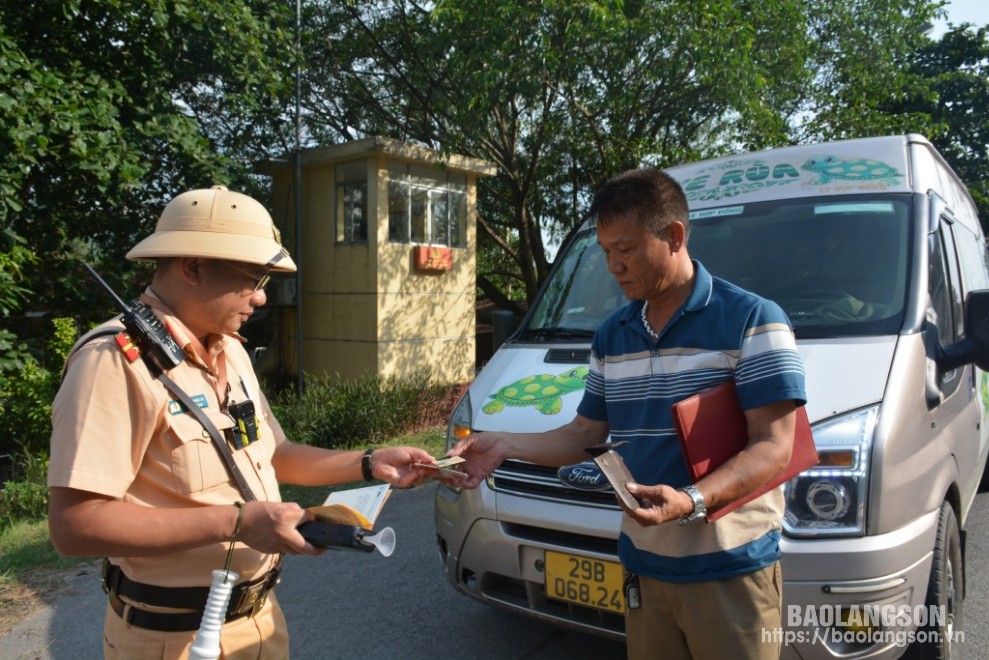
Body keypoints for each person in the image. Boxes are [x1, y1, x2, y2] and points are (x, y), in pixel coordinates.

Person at [47, 185, 437, 659]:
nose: (262, 298)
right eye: (253, 278)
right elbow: (75, 526)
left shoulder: (229, 349)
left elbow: (273, 453)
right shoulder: (113, 362)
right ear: (193, 266)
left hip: (260, 620)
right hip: (172, 639)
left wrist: (371, 462)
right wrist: (236, 522)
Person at [446, 169, 807, 659]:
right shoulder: (612, 334)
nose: (613, 266)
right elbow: (583, 433)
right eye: (605, 252)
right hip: (644, 566)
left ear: (674, 236)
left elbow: (774, 446)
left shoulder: (753, 320)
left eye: (627, 249)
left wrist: (690, 500)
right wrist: (505, 444)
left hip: (730, 570)